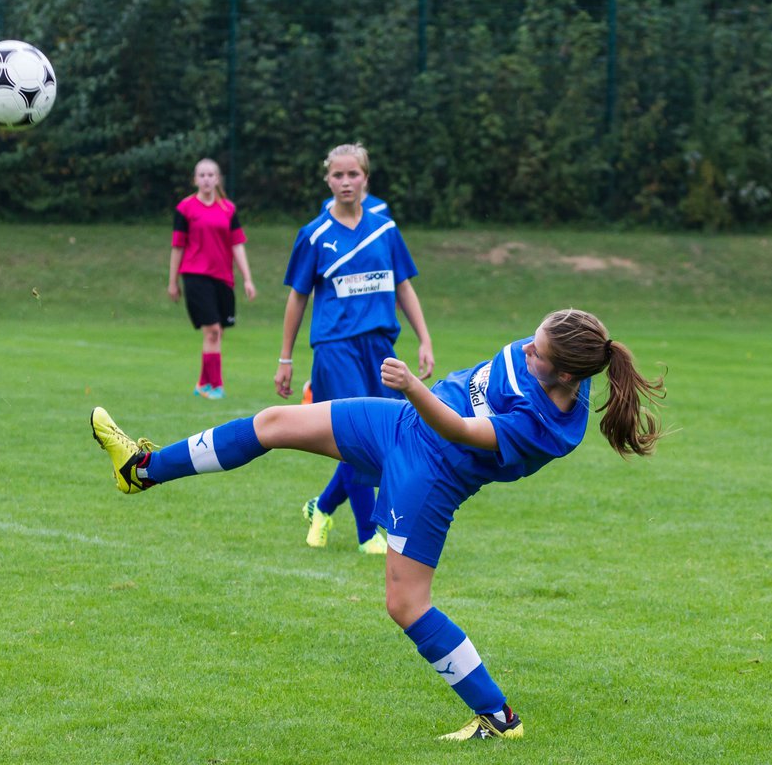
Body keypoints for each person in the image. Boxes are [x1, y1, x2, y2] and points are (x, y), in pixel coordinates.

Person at [90, 308, 665, 741]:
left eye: (536, 352)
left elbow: (463, 433)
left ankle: (498, 717)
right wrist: (415, 397)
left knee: (406, 604)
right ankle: (142, 470)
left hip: (431, 473)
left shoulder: (551, 426)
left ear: (563, 374)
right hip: (400, 424)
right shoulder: (559, 348)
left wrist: (415, 388)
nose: (525, 350)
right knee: (273, 422)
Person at [276, 143, 434, 555]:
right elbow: (297, 298)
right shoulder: (314, 235)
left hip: (380, 346)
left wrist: (424, 338)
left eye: (353, 175)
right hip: (334, 348)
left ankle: (322, 505)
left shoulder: (385, 230)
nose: (346, 182)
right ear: (327, 179)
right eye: (338, 176)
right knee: (356, 435)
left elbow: (404, 286)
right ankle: (369, 536)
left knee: (387, 438)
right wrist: (286, 358)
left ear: (366, 178)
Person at [169, 158, 257, 400]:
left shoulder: (228, 209)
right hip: (195, 276)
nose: (206, 179)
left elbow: (237, 245)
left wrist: (247, 279)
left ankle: (202, 384)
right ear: (195, 179)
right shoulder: (185, 209)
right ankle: (216, 386)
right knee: (213, 331)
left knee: (217, 333)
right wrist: (172, 281)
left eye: (211, 175)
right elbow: (177, 246)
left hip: (223, 278)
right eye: (202, 175)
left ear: (217, 179)